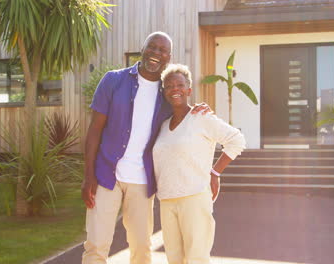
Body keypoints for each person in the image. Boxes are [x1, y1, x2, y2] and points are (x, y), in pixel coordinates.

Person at [81, 32, 209, 264]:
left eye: (162, 50)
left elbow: (183, 113)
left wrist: (198, 109)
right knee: (96, 245)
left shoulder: (167, 93)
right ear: (143, 48)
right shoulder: (113, 80)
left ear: (169, 57)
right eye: (152, 47)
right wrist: (88, 176)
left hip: (142, 180)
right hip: (106, 175)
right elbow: (94, 132)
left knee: (141, 248)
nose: (156, 53)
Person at [153, 64, 246, 264]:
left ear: (189, 90)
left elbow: (236, 139)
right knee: (174, 259)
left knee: (197, 259)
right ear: (164, 92)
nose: (175, 89)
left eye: (180, 85)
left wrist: (215, 172)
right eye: (169, 86)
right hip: (167, 200)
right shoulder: (162, 125)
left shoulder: (201, 117)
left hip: (194, 198)